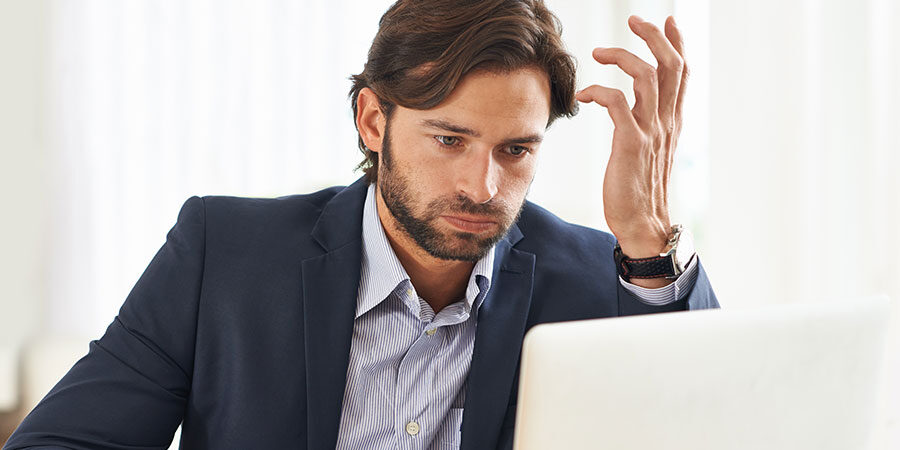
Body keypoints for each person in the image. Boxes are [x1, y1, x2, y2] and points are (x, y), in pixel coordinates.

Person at [4, 0, 719, 449]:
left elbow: (712, 423)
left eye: (516, 149)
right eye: (449, 140)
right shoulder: (220, 257)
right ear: (374, 120)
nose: (483, 184)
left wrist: (651, 237)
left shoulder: (605, 278)